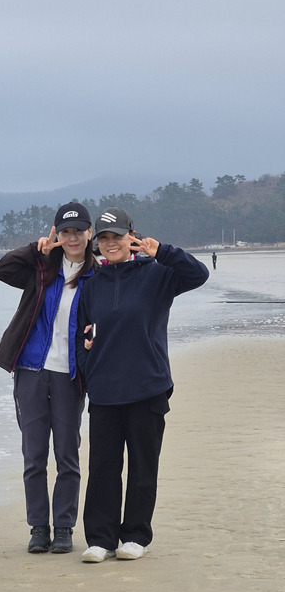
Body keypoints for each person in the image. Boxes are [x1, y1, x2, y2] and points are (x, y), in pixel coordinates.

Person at [76, 205, 209, 563]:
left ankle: (135, 536)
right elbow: (80, 335)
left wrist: (161, 251)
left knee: (142, 467)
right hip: (105, 391)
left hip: (147, 387)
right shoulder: (92, 285)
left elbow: (198, 274)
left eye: (117, 236)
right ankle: (100, 540)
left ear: (131, 237)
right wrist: (88, 366)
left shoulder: (158, 275)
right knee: (102, 468)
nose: (110, 243)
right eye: (104, 238)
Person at [0, 202, 97, 554]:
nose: (72, 238)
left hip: (70, 375)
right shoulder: (41, 268)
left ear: (89, 234)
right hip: (31, 371)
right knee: (34, 456)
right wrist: (34, 249)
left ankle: (64, 528)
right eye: (65, 232)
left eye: (78, 231)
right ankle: (38, 528)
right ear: (57, 235)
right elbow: (1, 269)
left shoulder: (97, 276)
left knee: (67, 455)